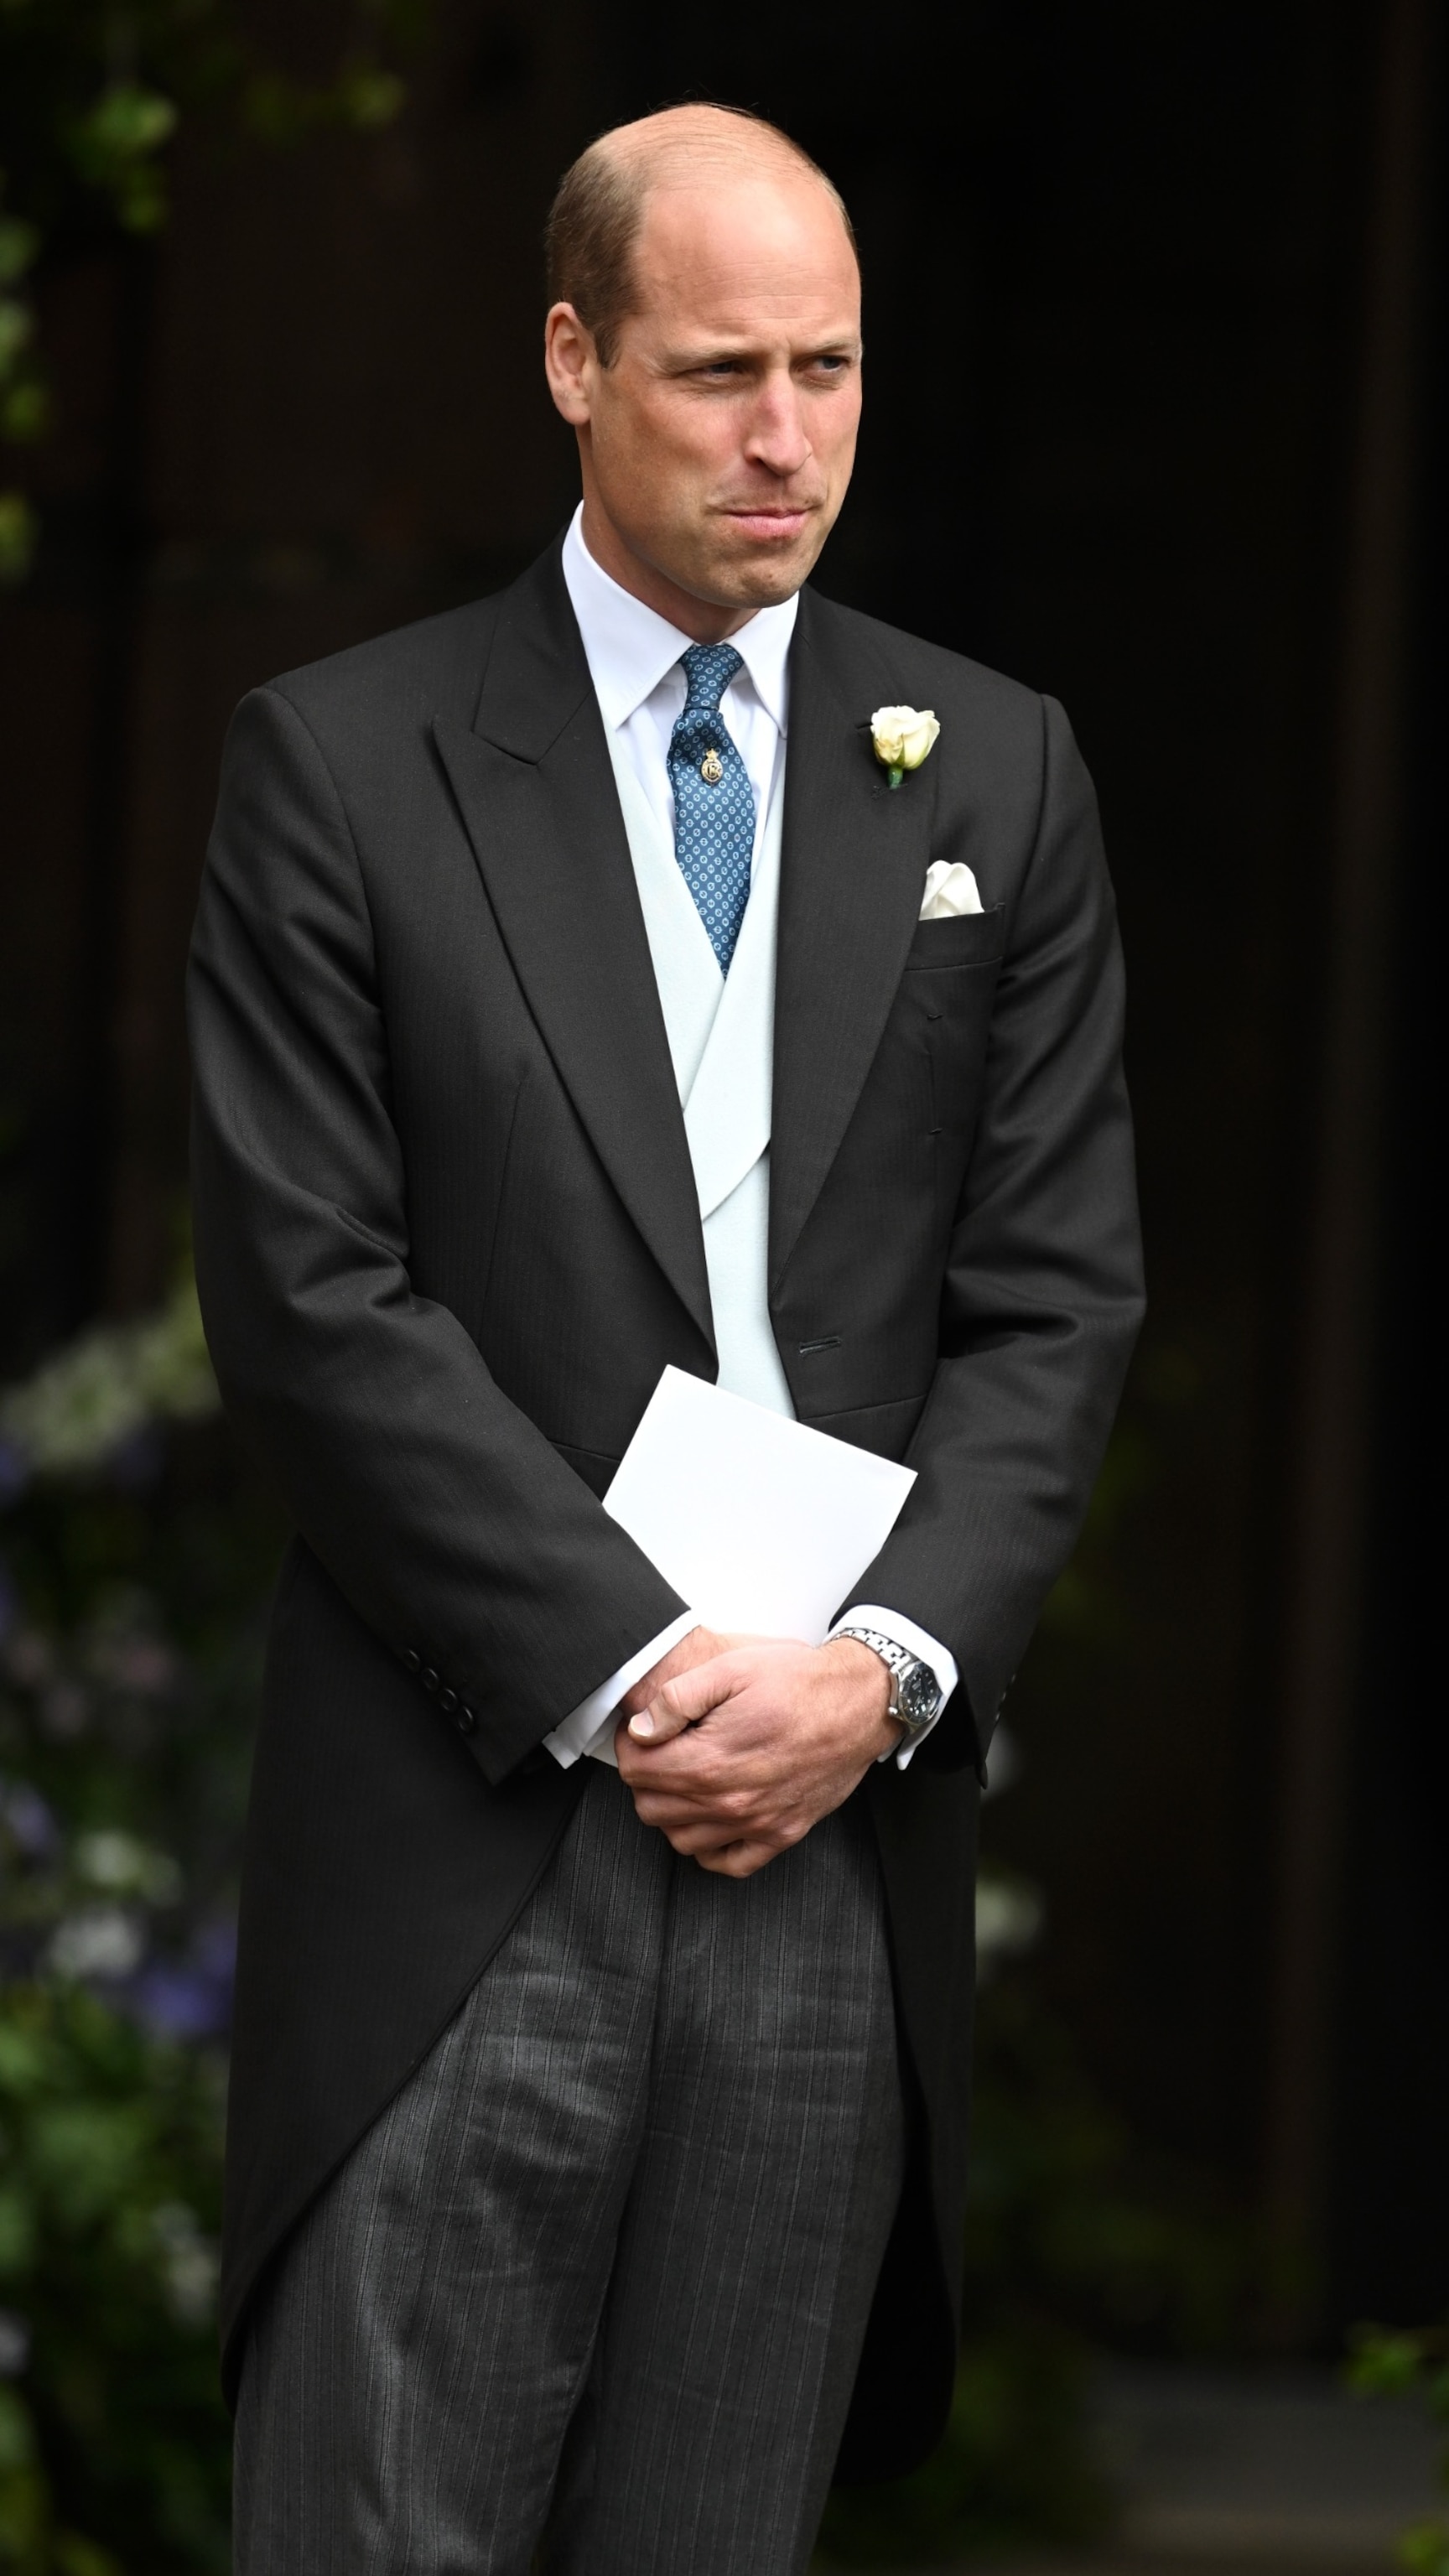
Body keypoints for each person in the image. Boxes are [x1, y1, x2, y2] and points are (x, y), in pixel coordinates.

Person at [189, 101, 1143, 2576]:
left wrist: (891, 1668)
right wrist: (634, 1673)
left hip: (834, 1843)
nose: (787, 438)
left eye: (830, 368)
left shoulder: (997, 772)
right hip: (467, 1829)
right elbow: (313, 1302)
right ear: (570, 358)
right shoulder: (341, 763)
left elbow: (1056, 1297)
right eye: (721, 371)